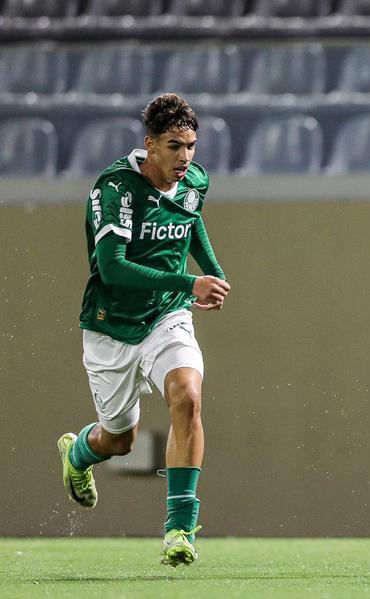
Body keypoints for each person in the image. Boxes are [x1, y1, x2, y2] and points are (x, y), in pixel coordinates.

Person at [57, 93, 230, 568]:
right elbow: (113, 268)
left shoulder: (193, 180)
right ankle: (78, 454)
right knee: (120, 440)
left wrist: (213, 273)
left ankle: (179, 529)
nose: (185, 156)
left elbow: (190, 221)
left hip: (167, 316)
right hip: (111, 326)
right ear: (150, 145)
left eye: (191, 146)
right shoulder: (116, 188)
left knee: (187, 396)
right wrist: (190, 282)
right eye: (174, 146)